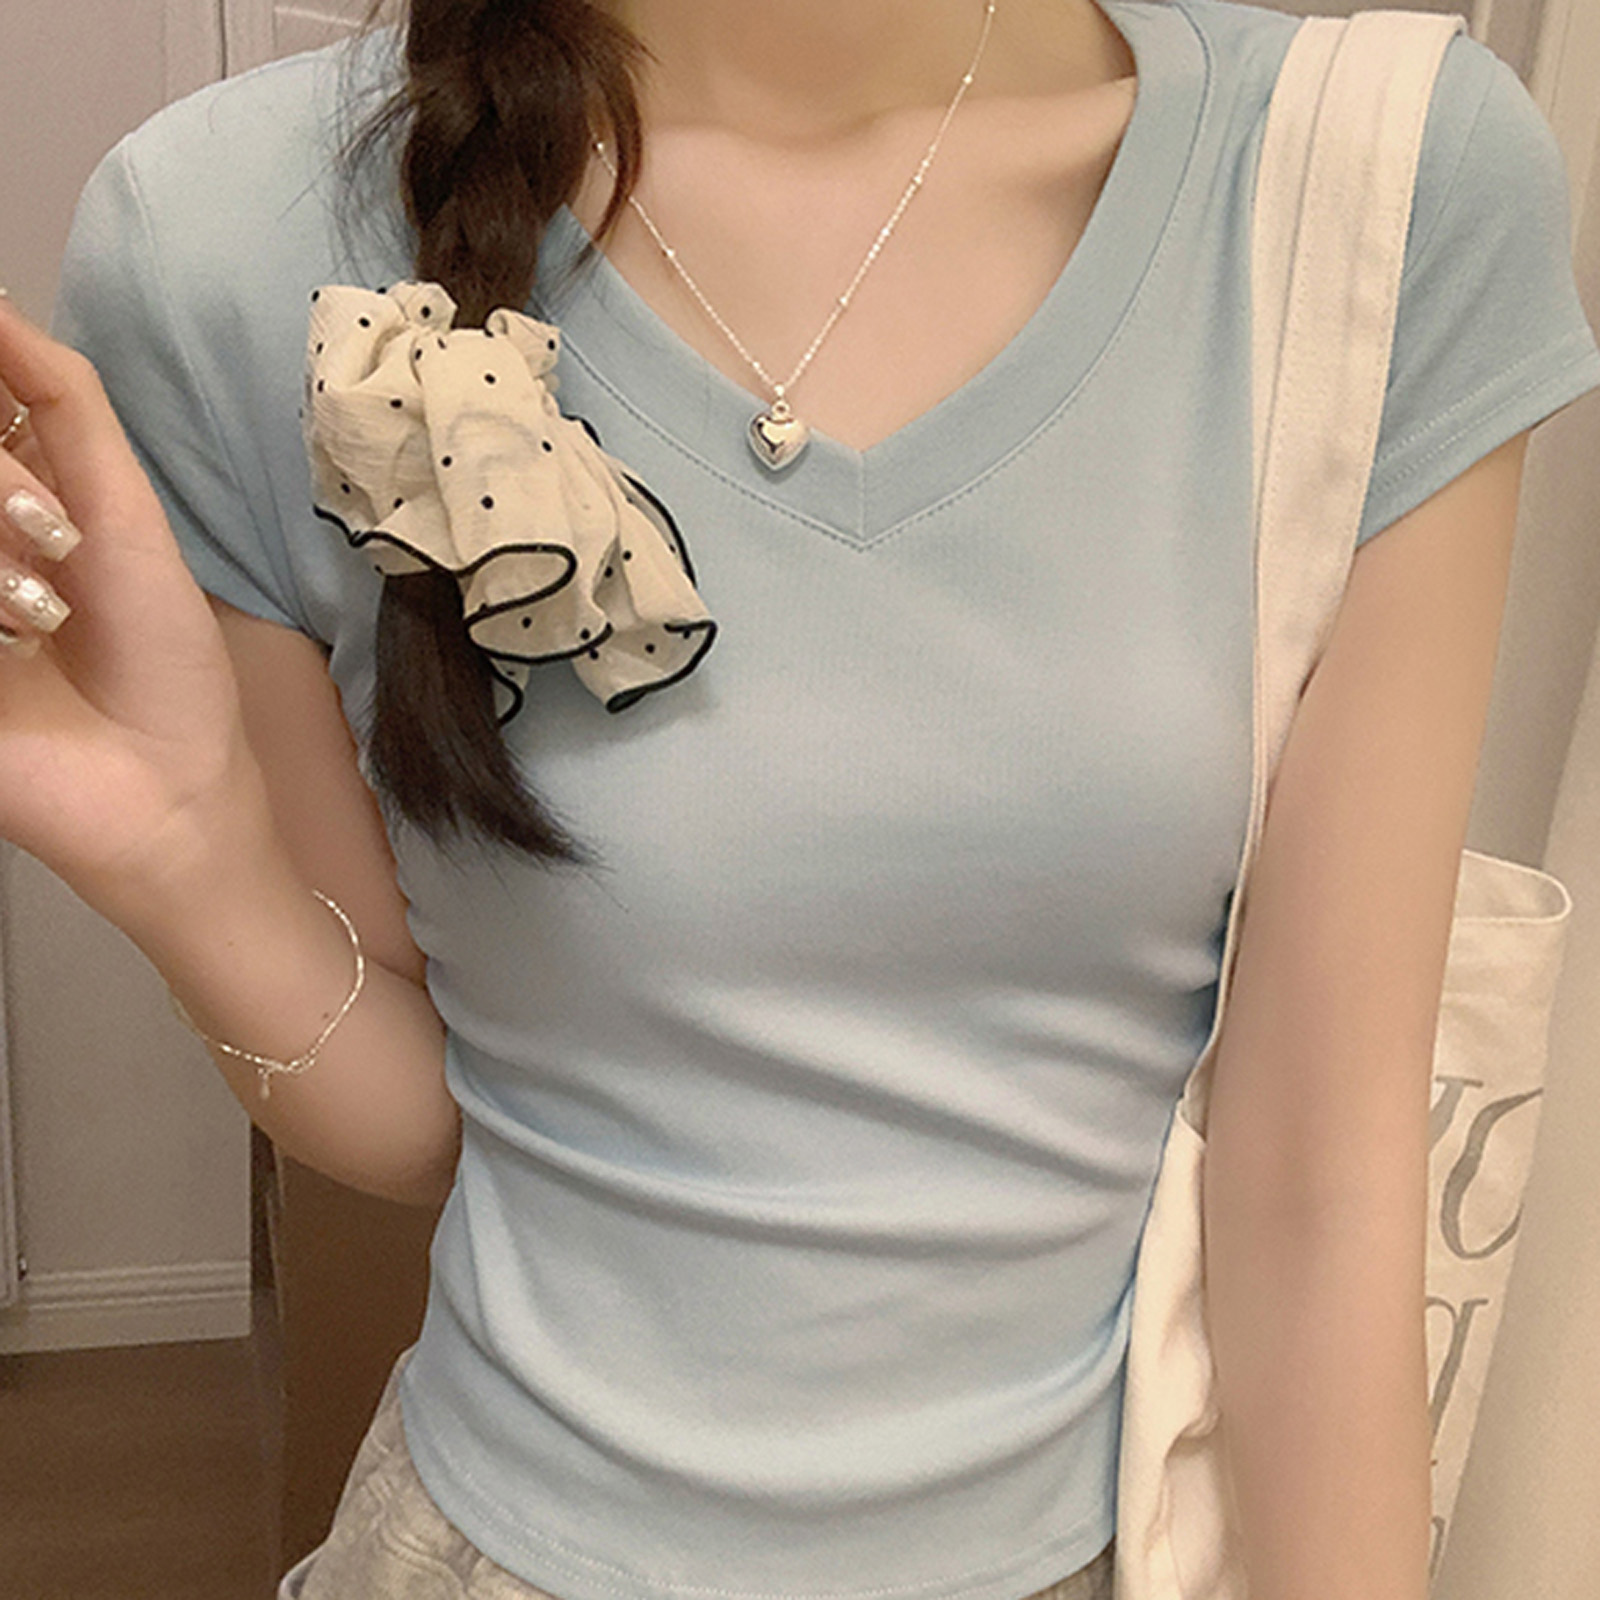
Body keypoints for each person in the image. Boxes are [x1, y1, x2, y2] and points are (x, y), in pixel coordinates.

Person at [2, 0, 1598, 1595]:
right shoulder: (223, 228)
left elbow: (1321, 1177)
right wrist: (180, 854)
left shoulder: (1370, 184)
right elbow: (422, 1118)